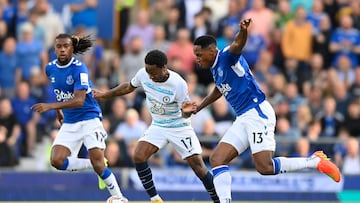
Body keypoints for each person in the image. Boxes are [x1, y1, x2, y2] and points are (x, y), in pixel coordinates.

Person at [191, 19, 341, 203]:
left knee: (265, 167)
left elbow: (238, 45)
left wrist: (244, 31)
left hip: (257, 112)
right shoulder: (215, 69)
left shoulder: (226, 56)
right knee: (217, 159)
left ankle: (315, 161)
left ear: (212, 51)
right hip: (243, 117)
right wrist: (200, 107)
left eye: (199, 54)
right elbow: (219, 89)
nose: (197, 59)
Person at [93, 49, 219, 203]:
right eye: (148, 71)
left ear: (164, 68)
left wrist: (187, 112)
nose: (150, 76)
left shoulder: (178, 83)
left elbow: (185, 112)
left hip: (179, 126)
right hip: (158, 125)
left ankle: (219, 199)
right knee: (138, 156)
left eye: (153, 72)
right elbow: (128, 87)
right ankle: (155, 199)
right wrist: (105, 94)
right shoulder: (143, 74)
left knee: (198, 167)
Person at [31, 33, 128, 203]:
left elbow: (79, 100)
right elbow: (58, 90)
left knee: (99, 164)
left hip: (89, 117)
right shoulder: (50, 68)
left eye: (65, 46)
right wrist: (58, 111)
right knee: (56, 160)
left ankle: (120, 198)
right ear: (54, 49)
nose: (62, 50)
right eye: (59, 47)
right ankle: (94, 165)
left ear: (72, 48)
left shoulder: (79, 68)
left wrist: (50, 107)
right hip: (70, 121)